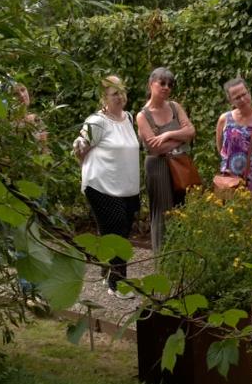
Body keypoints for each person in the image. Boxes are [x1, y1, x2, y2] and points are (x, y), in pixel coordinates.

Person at [72, 75, 141, 298]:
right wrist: (86, 167)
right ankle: (117, 283)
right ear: (104, 97)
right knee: (118, 230)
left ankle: (108, 270)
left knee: (119, 232)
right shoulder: (97, 121)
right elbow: (79, 148)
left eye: (122, 91)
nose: (120, 97)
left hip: (127, 188)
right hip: (101, 186)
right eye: (114, 94)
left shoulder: (129, 118)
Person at [136, 67, 196, 254]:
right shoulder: (142, 115)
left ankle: (180, 261)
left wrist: (168, 134)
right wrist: (181, 138)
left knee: (182, 211)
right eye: (162, 83)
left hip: (180, 164)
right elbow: (155, 148)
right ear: (151, 84)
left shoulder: (175, 107)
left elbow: (192, 132)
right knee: (162, 215)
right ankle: (162, 264)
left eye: (170, 84)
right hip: (158, 166)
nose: (166, 87)